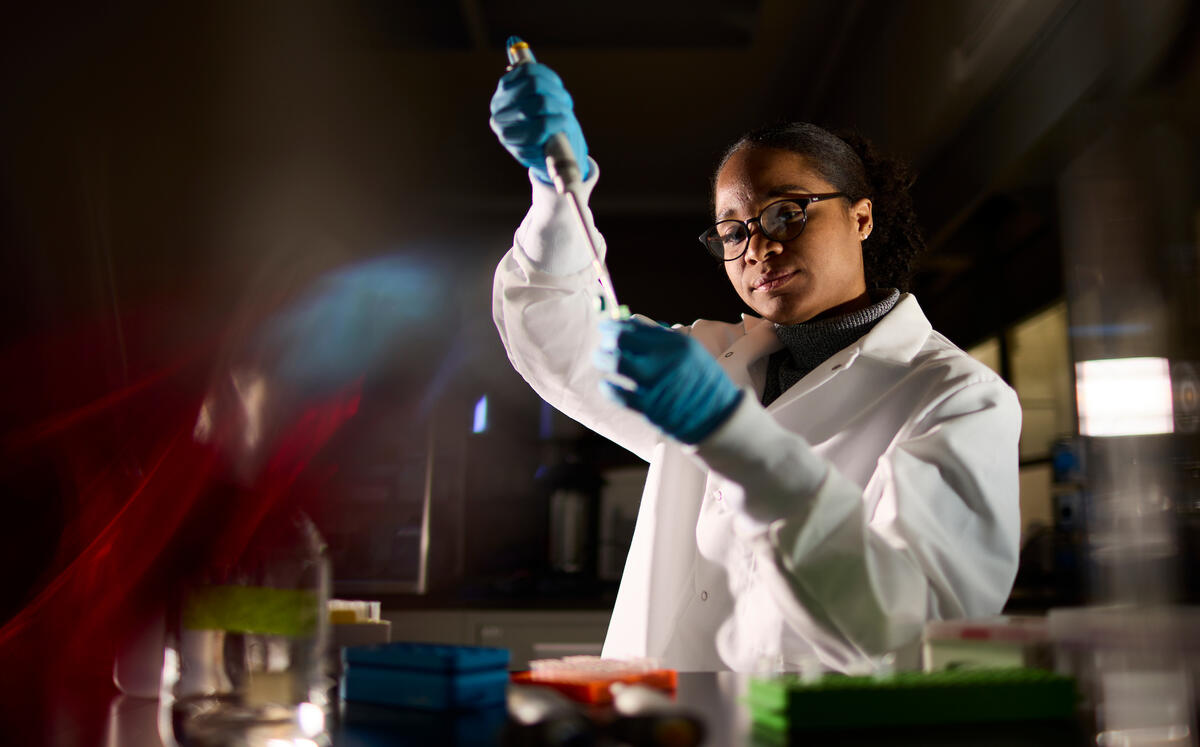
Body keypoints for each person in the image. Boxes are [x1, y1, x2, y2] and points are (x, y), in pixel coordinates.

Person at [488, 61, 1021, 672]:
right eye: (732, 231)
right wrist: (559, 192)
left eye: (785, 213)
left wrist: (733, 435)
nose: (759, 247)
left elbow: (907, 626)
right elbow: (555, 333)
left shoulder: (957, 397)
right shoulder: (714, 359)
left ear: (862, 217)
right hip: (656, 722)